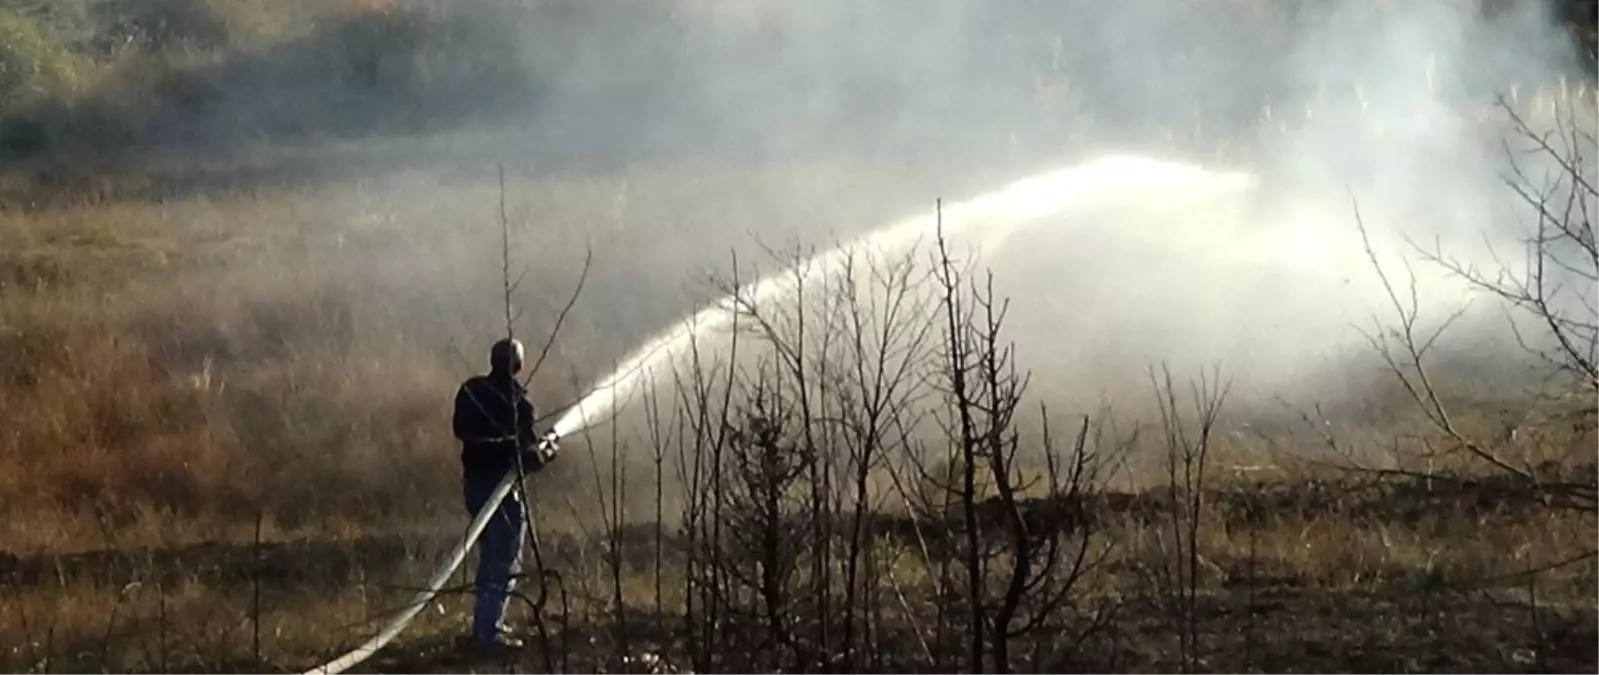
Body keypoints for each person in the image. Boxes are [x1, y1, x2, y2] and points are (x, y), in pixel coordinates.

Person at [451, 337, 556, 651]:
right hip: (502, 490)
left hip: (473, 485)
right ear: (519, 366)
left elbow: (462, 431)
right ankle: (488, 632)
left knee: (490, 554)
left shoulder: (470, 390)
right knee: (504, 556)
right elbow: (527, 458)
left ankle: (485, 624)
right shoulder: (519, 403)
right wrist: (547, 452)